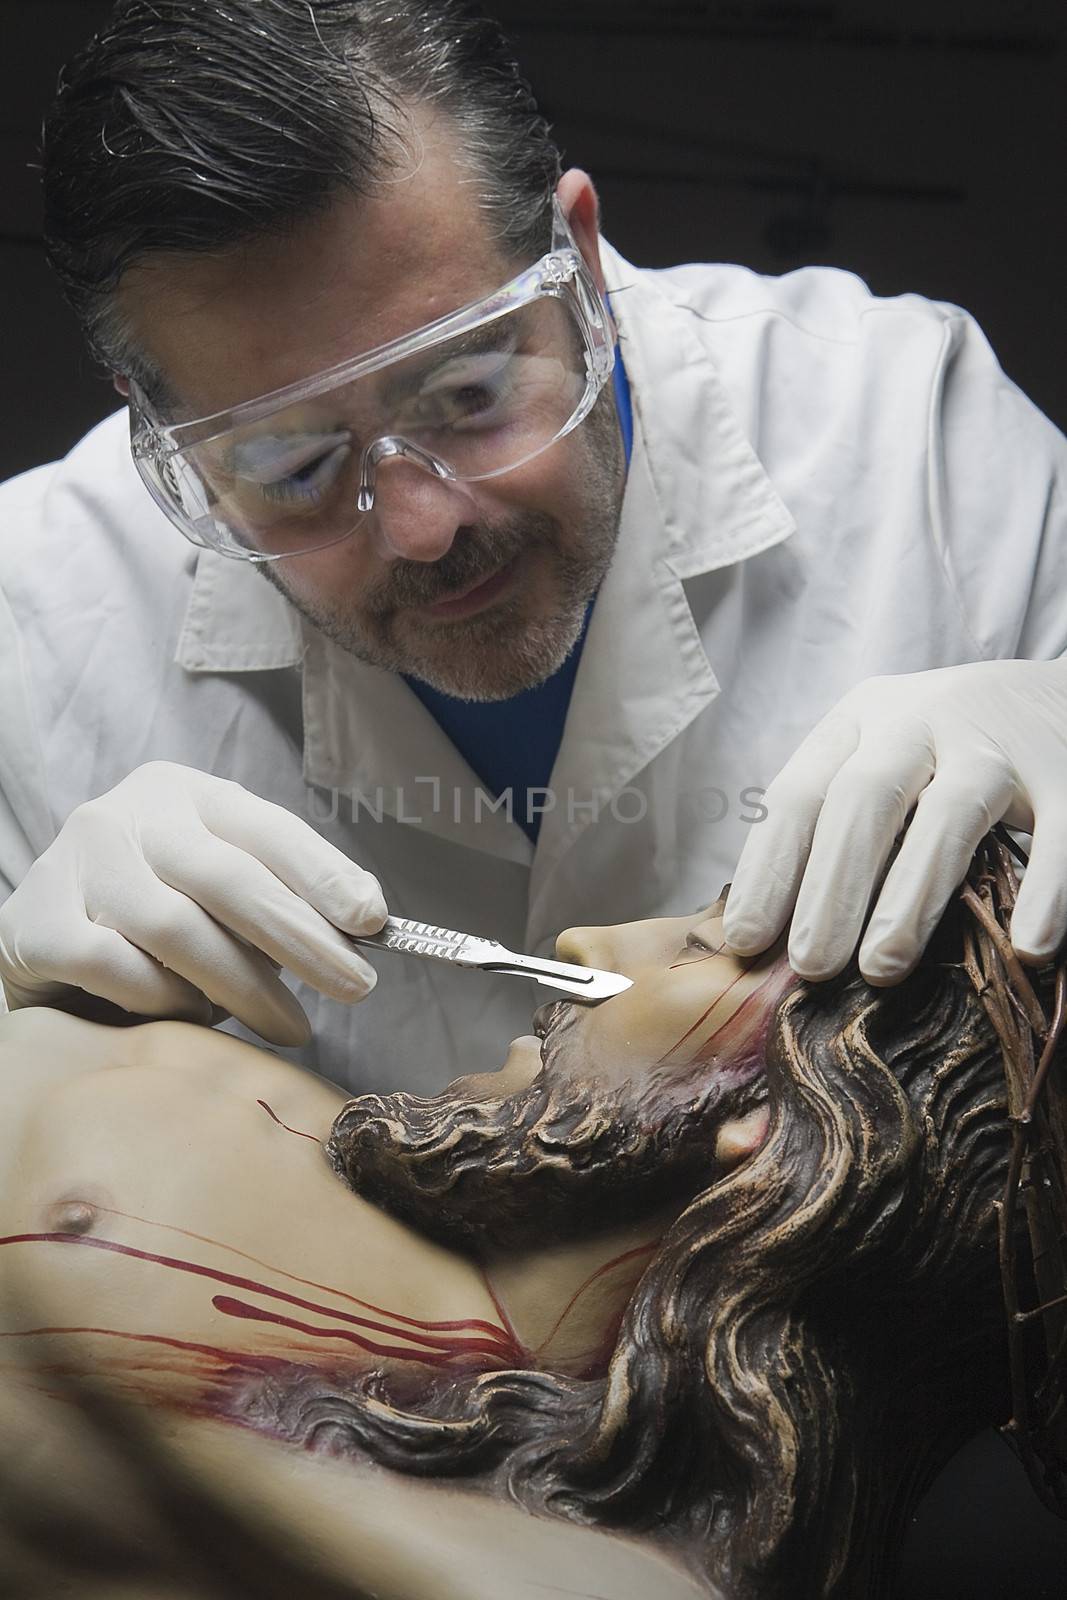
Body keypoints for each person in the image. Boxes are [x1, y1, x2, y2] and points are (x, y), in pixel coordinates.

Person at [1, 0, 1066, 1093]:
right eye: (289, 468)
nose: (424, 526)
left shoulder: (924, 449)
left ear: (584, 264)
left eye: (468, 390)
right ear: (157, 424)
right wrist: (17, 1034)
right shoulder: (38, 625)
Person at [0, 886, 1047, 1597]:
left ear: (772, 1122)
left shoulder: (543, 1531)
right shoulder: (401, 1195)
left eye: (696, 947)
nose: (583, 943)